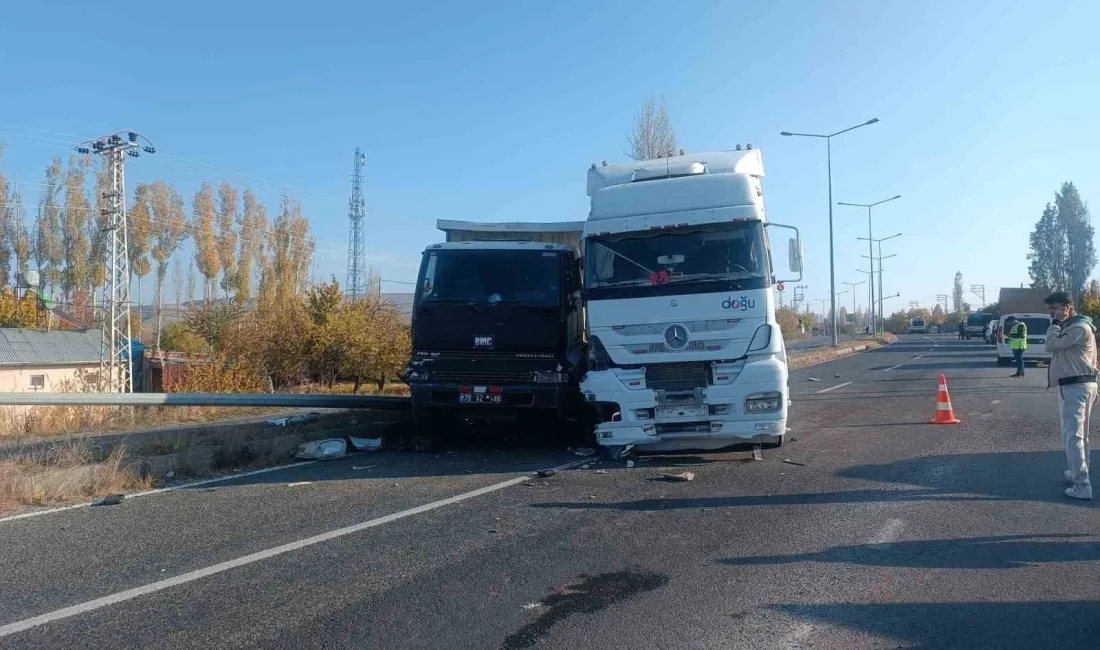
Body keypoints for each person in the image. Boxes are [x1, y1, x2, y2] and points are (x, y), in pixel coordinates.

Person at [1044, 291, 1096, 500]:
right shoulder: (1078, 327)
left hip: (1076, 386)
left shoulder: (1078, 327)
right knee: (1080, 435)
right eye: (1050, 309)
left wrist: (1055, 324)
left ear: (1068, 307)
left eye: (1055, 308)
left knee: (1072, 436)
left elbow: (1051, 345)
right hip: (1081, 385)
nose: (1051, 312)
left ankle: (1082, 485)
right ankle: (1078, 473)